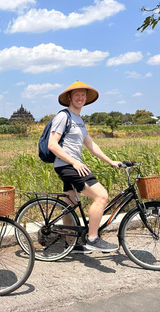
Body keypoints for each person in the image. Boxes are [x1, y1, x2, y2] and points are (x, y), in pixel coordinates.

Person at [48, 81, 121, 253]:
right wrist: (74, 162)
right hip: (68, 165)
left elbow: (91, 145)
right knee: (101, 196)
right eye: (77, 95)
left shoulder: (79, 120)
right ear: (70, 98)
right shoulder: (63, 117)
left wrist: (110, 161)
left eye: (83, 95)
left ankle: (70, 244)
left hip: (71, 165)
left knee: (70, 203)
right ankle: (92, 238)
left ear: (86, 98)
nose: (80, 98)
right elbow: (52, 144)